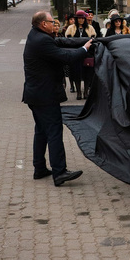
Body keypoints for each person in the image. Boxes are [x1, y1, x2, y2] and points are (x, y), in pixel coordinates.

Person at [22, 11, 92, 186]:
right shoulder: (43, 40)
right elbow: (66, 57)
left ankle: (39, 169)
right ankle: (59, 172)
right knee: (54, 132)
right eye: (52, 22)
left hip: (35, 94)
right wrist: (85, 49)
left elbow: (62, 41)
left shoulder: (35, 34)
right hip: (45, 95)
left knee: (41, 131)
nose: (55, 24)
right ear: (43, 24)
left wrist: (85, 41)